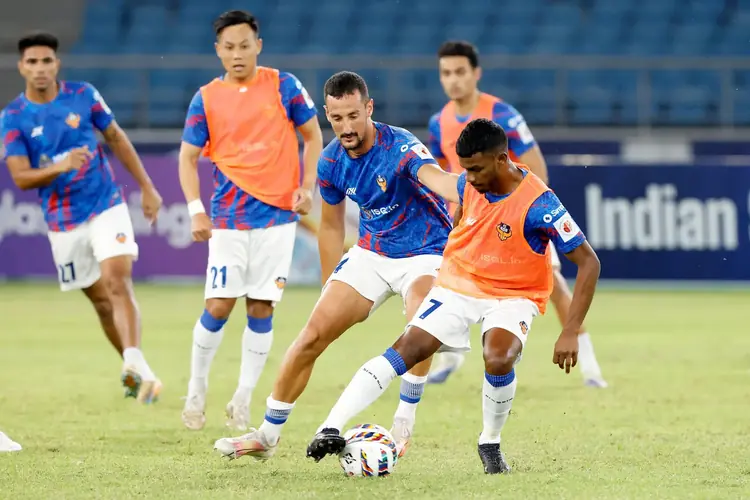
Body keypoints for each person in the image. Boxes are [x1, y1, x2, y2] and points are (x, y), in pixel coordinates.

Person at [306, 118, 601, 473]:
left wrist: (570, 330)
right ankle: (330, 427)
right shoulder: (469, 183)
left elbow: (589, 262)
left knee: (499, 357)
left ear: (502, 159)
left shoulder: (540, 203)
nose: (469, 179)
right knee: (408, 347)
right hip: (460, 283)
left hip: (515, 293)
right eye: (465, 170)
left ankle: (489, 442)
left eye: (476, 169)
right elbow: (461, 211)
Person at [213, 71, 460, 461]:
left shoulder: (401, 147)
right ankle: (267, 435)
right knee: (311, 336)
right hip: (371, 253)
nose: (346, 127)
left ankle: (403, 420)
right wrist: (330, 284)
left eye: (353, 116)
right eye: (337, 118)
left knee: (419, 322)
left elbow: (442, 182)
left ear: (369, 108)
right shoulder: (330, 161)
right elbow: (330, 226)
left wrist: (470, 186)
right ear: (327, 114)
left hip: (425, 251)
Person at [425, 40, 607, 388]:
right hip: (471, 222)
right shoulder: (438, 122)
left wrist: (522, 212)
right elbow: (447, 174)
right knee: (445, 281)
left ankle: (590, 368)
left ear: (476, 73)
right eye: (446, 73)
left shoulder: (503, 115)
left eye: (460, 72)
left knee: (553, 285)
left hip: (518, 219)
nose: (453, 80)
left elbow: (537, 168)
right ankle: (449, 358)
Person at [178, 10, 323, 432]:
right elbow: (187, 157)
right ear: (218, 51)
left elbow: (313, 135)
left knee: (261, 307)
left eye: (244, 45)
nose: (237, 54)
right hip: (228, 219)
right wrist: (195, 208)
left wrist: (307, 186)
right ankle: (196, 389)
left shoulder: (284, 85)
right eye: (229, 47)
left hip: (278, 217)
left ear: (258, 45)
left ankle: (242, 398)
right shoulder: (206, 98)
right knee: (218, 305)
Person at [1, 32, 162, 403]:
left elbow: (116, 137)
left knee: (118, 281)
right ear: (21, 67)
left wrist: (147, 187)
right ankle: (138, 370)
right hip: (62, 220)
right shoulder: (13, 117)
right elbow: (20, 177)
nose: (40, 68)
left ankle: (133, 361)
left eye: (46, 61)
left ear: (57, 63)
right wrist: (60, 166)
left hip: (105, 203)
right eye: (32, 62)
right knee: (102, 302)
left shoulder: (84, 95)